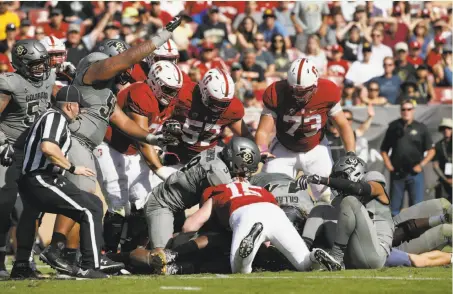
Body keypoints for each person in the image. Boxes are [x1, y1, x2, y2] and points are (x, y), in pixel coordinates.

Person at [39, 17, 183, 273]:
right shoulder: (93, 68)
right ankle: (56, 248)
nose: (126, 71)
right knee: (83, 198)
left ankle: (72, 255)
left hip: (85, 145)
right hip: (75, 140)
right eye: (121, 64)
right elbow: (124, 60)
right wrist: (160, 37)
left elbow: (124, 123)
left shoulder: (105, 91)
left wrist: (153, 138)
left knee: (84, 202)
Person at [182, 137, 335, 274]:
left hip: (246, 214)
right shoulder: (260, 189)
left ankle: (250, 243)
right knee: (304, 263)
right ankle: (314, 256)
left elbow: (189, 226)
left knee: (240, 269)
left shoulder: (218, 189)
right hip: (275, 211)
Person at [10, 86, 107, 279]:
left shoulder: (52, 117)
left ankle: (24, 264)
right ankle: (89, 265)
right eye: (79, 106)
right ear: (70, 106)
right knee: (90, 209)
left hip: (39, 178)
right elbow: (48, 147)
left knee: (93, 203)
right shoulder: (55, 117)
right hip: (40, 178)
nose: (81, 110)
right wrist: (72, 168)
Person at [97, 61, 188, 252]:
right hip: (110, 146)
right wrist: (160, 169)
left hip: (132, 152)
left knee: (144, 201)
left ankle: (130, 252)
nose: (171, 95)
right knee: (118, 202)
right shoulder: (140, 93)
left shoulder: (165, 100)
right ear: (154, 82)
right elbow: (142, 138)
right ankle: (108, 253)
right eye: (167, 89)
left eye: (174, 91)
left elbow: (152, 135)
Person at [255, 58, 355, 203]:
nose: (298, 96)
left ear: (315, 85)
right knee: (270, 196)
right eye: (294, 91)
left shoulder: (327, 91)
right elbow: (263, 131)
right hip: (284, 149)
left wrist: (351, 152)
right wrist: (263, 149)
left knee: (328, 198)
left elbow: (343, 125)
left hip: (316, 149)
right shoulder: (276, 92)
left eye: (304, 92)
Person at [0, 40, 56, 277]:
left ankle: (23, 263)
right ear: (20, 64)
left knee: (31, 210)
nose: (39, 68)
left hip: (34, 153)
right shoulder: (9, 83)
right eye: (33, 64)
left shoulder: (50, 77)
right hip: (10, 151)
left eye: (42, 63)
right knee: (4, 207)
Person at [297, 155, 394, 270]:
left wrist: (321, 180)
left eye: (340, 178)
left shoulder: (373, 180)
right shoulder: (341, 200)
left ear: (356, 173)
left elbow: (358, 188)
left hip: (376, 253)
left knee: (349, 202)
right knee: (320, 210)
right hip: (354, 253)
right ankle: (300, 254)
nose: (337, 183)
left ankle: (336, 257)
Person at [165, 68, 251, 166]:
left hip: (207, 158)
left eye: (224, 104)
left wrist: (256, 151)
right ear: (203, 90)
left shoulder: (233, 108)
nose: (218, 108)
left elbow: (245, 135)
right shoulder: (183, 94)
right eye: (214, 101)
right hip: (174, 154)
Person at [380, 99, 436, 216]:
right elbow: (384, 149)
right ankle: (395, 232)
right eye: (403, 109)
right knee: (394, 208)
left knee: (417, 207)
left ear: (413, 111)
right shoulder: (393, 127)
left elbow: (431, 151)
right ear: (400, 111)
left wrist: (421, 165)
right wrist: (389, 165)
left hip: (415, 174)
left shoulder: (421, 128)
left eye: (409, 109)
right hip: (397, 173)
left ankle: (415, 232)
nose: (406, 112)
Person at [433, 118, 452, 202]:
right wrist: (445, 179)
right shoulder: (438, 145)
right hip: (444, 180)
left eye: (449, 128)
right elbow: (435, 165)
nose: (446, 130)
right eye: (444, 128)